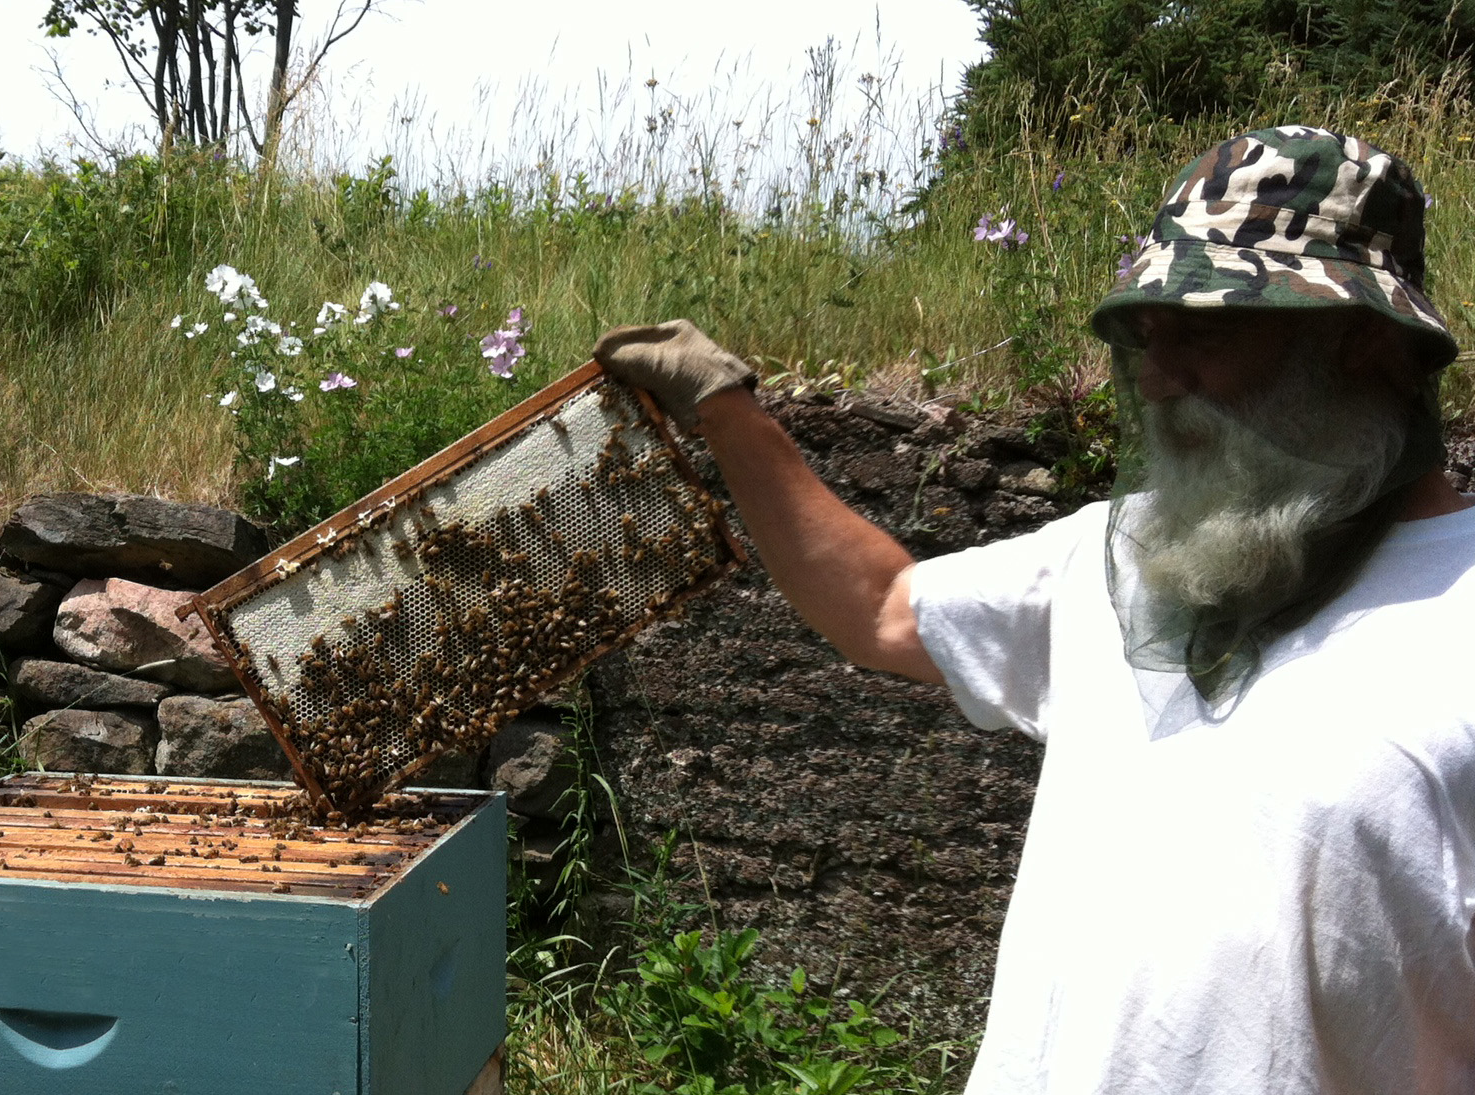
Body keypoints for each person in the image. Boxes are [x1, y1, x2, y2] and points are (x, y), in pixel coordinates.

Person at [593, 125, 1475, 1094]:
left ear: (1366, 345)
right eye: (1146, 333)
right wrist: (726, 409)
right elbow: (884, 608)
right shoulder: (1124, 554)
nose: (1150, 376)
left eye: (1208, 330)